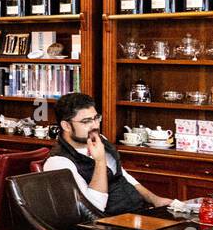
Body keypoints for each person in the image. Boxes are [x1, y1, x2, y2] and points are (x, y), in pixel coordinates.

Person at [41, 92, 171, 214]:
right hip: (108, 224)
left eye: (96, 118)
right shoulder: (58, 162)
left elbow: (122, 175)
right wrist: (100, 160)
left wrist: (155, 199)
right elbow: (93, 207)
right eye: (86, 121)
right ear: (66, 126)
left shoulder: (100, 139)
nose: (95, 125)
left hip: (138, 211)